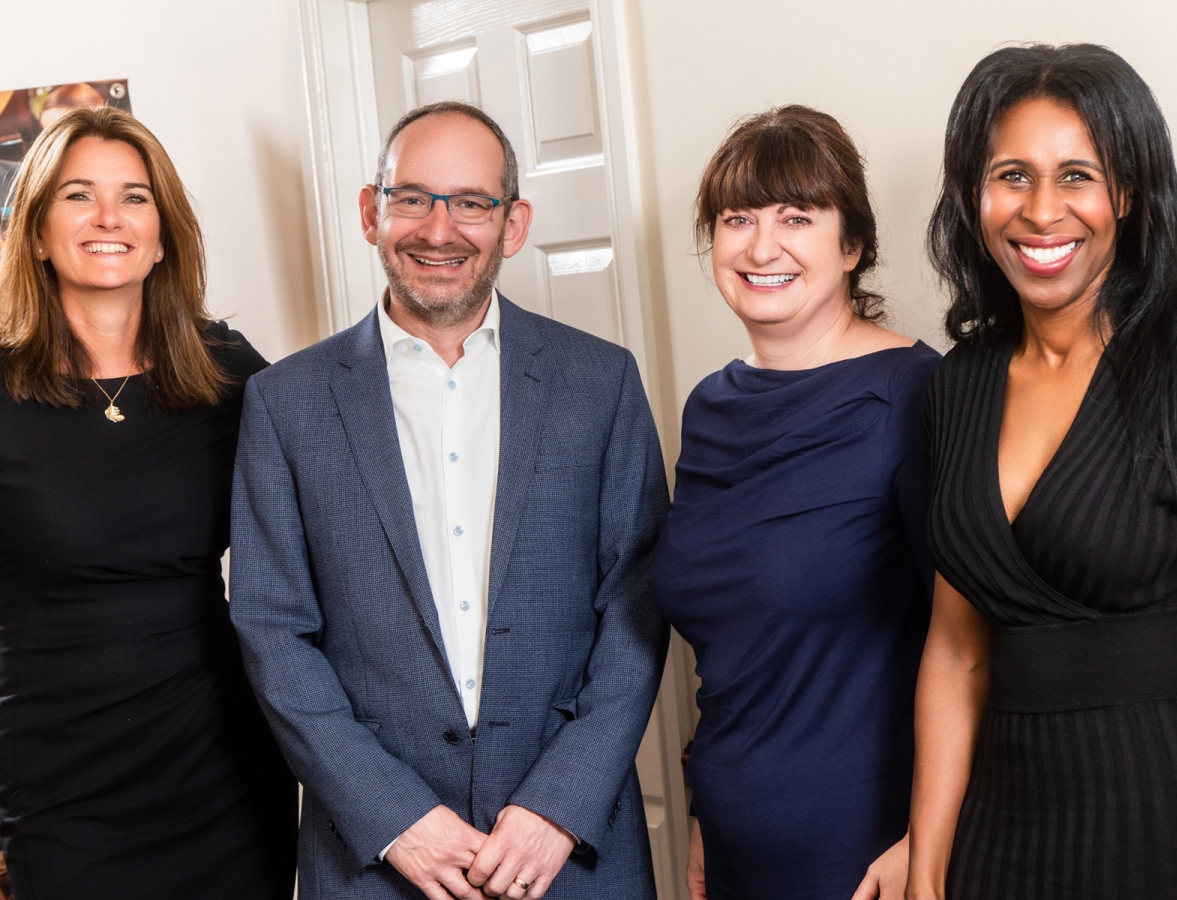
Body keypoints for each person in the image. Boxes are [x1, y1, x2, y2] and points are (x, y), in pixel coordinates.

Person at [229, 100, 668, 900]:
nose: (440, 229)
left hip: (568, 857)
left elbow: (637, 609)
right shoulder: (283, 404)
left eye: (471, 202)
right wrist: (395, 817)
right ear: (371, 212)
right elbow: (272, 630)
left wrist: (556, 809)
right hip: (374, 860)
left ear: (515, 223)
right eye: (412, 198)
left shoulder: (600, 383)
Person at [908, 43, 1177, 900]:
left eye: (1078, 175)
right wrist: (929, 871)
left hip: (1164, 817)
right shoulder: (959, 381)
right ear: (974, 194)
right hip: (1001, 830)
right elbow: (957, 652)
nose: (1041, 211)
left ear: (1131, 194)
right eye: (1011, 175)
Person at [0, 107, 297, 898]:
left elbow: (333, 526)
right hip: (55, 786)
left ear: (162, 233)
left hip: (224, 774)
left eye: (134, 197)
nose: (108, 218)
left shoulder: (228, 373)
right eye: (77, 196)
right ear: (34, 231)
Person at [651, 105, 939, 900]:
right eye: (737, 218)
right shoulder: (710, 407)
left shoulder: (913, 396)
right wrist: (707, 816)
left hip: (867, 848)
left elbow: (975, 643)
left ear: (852, 247)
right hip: (735, 836)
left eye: (796, 217)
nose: (761, 245)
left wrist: (927, 840)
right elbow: (736, 654)